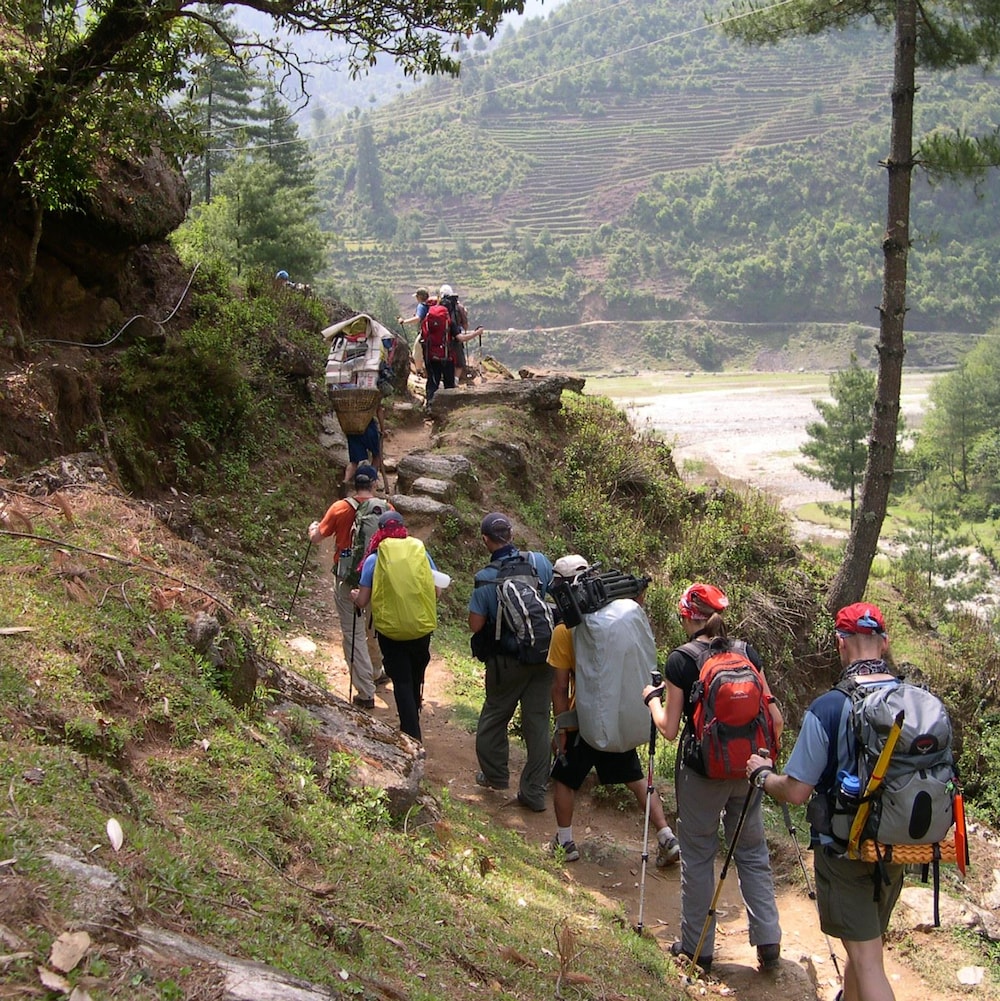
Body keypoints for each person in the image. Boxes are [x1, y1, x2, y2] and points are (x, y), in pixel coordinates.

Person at [745, 602, 904, 1001]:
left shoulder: (830, 707)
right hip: (899, 846)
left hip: (847, 848)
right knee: (864, 944)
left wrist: (764, 777)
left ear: (840, 644)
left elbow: (797, 791)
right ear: (883, 645)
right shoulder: (912, 700)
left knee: (868, 960)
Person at [643, 582, 782, 974]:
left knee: (700, 854)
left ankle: (697, 947)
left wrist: (652, 699)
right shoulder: (746, 652)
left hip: (702, 772)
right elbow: (774, 718)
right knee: (753, 852)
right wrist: (762, 760)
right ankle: (769, 942)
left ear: (689, 616)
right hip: (752, 768)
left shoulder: (681, 661)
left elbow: (669, 729)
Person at [549, 555, 680, 866]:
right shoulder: (618, 614)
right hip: (617, 715)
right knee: (635, 779)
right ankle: (666, 836)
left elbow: (559, 687)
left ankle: (565, 841)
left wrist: (562, 729)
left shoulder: (567, 629)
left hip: (585, 720)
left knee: (564, 778)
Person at [468, 512, 554, 811]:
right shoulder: (539, 562)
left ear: (486, 540)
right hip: (545, 656)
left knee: (494, 717)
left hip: (507, 662)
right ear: (512, 535)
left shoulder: (486, 578)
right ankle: (533, 792)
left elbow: (476, 625)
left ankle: (495, 776)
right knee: (538, 724)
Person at [352, 510, 443, 741]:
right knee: (415, 675)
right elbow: (437, 590)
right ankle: (413, 715)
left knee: (400, 679)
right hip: (421, 628)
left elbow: (363, 601)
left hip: (391, 631)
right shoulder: (421, 552)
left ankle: (411, 734)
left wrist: (355, 596)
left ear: (381, 531)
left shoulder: (375, 558)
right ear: (403, 529)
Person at [308, 466, 390, 708]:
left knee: (353, 633)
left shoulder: (340, 508)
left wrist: (313, 528)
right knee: (374, 626)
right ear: (374, 483)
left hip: (348, 580)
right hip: (377, 577)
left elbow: (317, 538)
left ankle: (366, 692)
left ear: (354, 484)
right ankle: (377, 670)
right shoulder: (386, 509)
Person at [344, 401, 384, 489]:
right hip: (368, 427)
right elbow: (379, 409)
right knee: (376, 455)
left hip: (352, 427)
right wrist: (382, 428)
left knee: (354, 461)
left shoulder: (348, 396)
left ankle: (345, 482)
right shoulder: (370, 394)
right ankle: (372, 481)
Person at [397, 287, 432, 375]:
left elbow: (417, 318)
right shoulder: (432, 305)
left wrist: (404, 321)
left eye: (417, 296)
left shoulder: (421, 306)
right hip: (435, 332)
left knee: (417, 352)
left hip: (425, 333)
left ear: (420, 297)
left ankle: (419, 371)